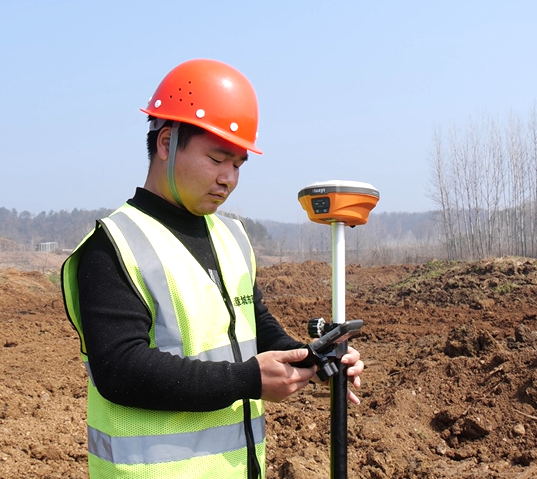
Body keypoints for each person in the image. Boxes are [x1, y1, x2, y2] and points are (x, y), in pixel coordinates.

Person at [61, 58, 364, 479]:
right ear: (166, 143)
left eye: (238, 165)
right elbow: (120, 369)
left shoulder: (231, 236)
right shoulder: (114, 244)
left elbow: (254, 325)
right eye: (218, 158)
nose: (228, 179)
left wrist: (312, 358)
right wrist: (248, 379)